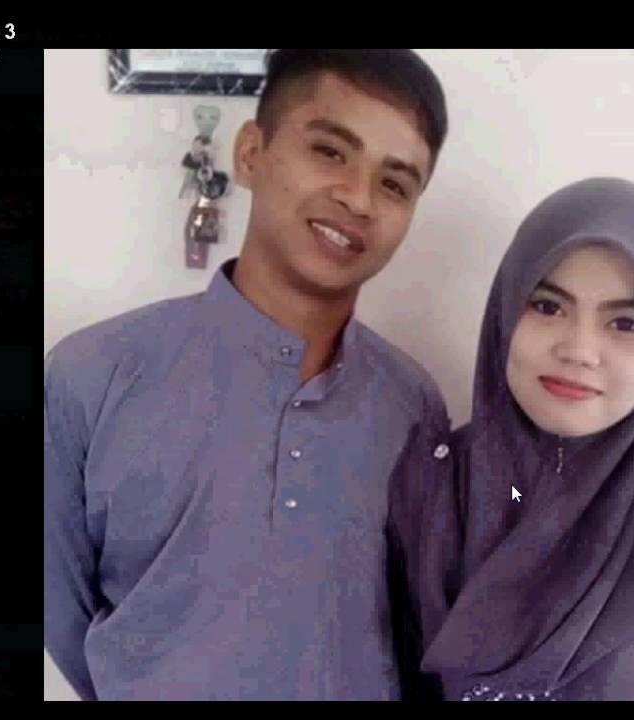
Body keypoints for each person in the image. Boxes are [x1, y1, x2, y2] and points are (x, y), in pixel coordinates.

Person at [44, 49, 453, 700]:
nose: (357, 197)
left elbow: (414, 630)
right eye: (330, 151)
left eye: (395, 184)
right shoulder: (92, 375)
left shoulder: (414, 407)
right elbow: (62, 611)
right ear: (251, 152)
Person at [415, 177, 634, 700]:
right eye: (548, 307)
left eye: (625, 323)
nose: (579, 350)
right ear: (505, 312)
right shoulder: (436, 488)